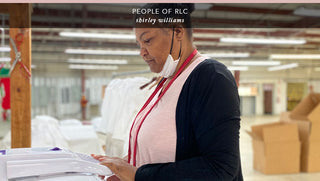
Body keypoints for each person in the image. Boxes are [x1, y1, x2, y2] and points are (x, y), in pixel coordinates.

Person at [92, 3, 243, 181]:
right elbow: (161, 155)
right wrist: (123, 167)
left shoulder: (211, 78)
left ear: (178, 32)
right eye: (138, 44)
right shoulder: (167, 80)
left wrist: (138, 175)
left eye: (147, 40)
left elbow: (220, 168)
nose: (142, 52)